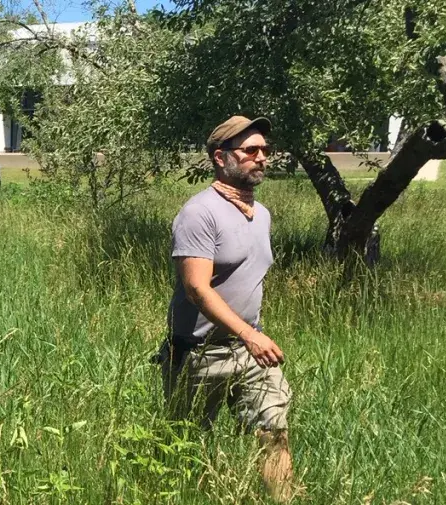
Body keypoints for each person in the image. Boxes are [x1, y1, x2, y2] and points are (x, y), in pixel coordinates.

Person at [158, 115, 297, 502]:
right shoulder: (199, 213)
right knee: (185, 448)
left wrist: (251, 336)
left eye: (266, 151)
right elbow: (197, 289)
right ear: (221, 158)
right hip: (200, 354)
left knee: (274, 431)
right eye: (250, 150)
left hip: (249, 352)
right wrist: (250, 335)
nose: (262, 157)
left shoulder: (262, 214)